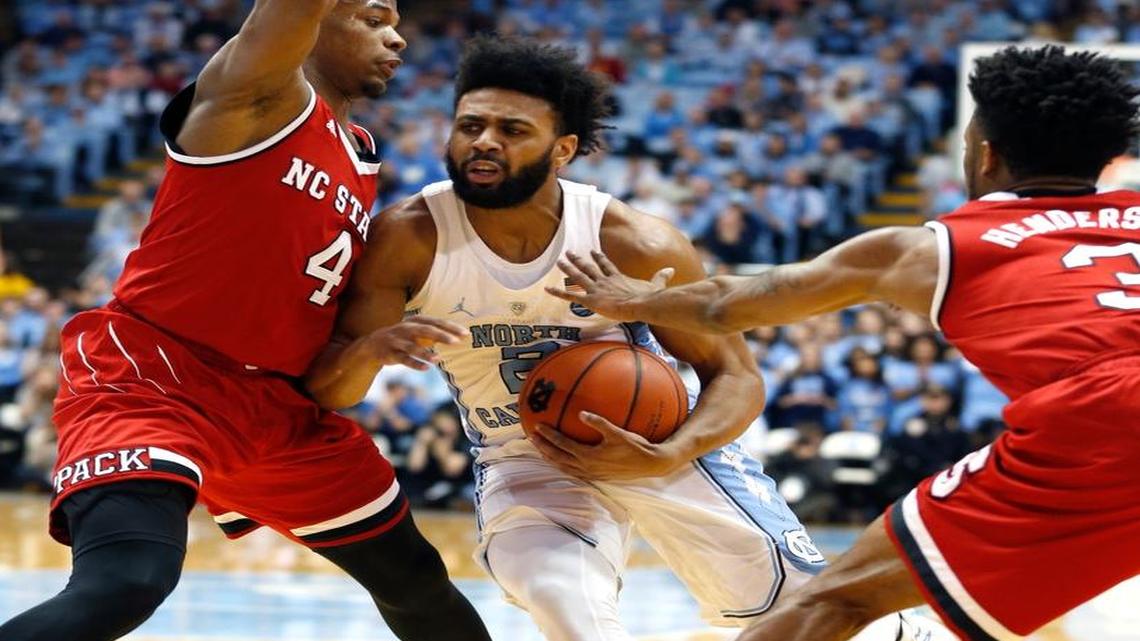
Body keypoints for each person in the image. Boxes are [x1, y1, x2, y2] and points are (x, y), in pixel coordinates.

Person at [306, 36, 943, 641]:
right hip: (523, 458)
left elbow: (737, 376)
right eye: (471, 125)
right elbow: (331, 391)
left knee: (808, 614)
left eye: (513, 130)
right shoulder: (407, 238)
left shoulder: (631, 242)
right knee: (567, 612)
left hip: (657, 443)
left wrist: (671, 451)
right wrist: (368, 353)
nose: (484, 143)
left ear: (563, 150)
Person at [548, 45, 1140, 641]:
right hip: (1106, 421)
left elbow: (726, 306)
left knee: (834, 602)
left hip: (1101, 423)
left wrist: (635, 300)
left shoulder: (940, 247)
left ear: (986, 156)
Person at [0, 2, 491, 640]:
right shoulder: (256, 99)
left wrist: (370, 349)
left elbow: (327, 387)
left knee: (417, 580)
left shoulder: (363, 157)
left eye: (396, 22)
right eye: (373, 17)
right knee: (128, 580)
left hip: (275, 409)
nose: (397, 35)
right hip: (158, 377)